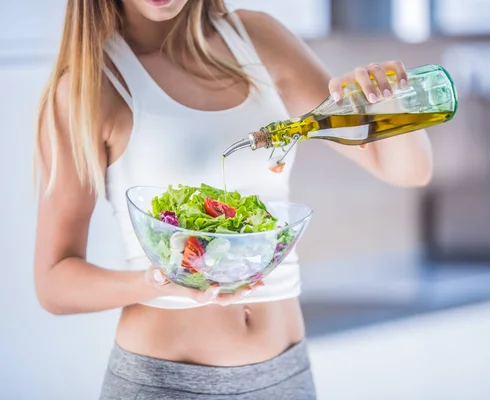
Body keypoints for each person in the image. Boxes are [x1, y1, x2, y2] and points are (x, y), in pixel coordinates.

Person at [33, 0, 433, 398]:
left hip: (287, 374)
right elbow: (54, 282)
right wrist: (159, 280)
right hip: (167, 383)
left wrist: (390, 99)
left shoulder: (257, 39)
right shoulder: (88, 87)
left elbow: (407, 170)